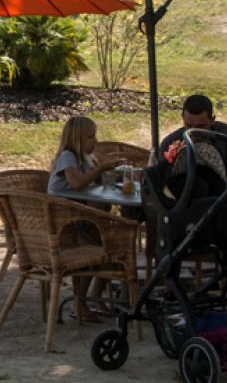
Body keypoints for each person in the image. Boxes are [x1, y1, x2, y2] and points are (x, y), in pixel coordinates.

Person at [46, 115, 129, 323]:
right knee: (101, 248)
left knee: (111, 245)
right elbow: (76, 184)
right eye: (91, 137)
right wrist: (99, 169)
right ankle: (80, 303)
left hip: (79, 218)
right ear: (77, 139)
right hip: (63, 224)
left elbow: (91, 186)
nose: (96, 141)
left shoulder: (84, 158)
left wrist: (108, 172)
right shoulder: (67, 156)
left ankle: (93, 297)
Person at [152, 94, 227, 175]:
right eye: (188, 126)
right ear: (183, 119)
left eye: (200, 127)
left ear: (212, 120)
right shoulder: (169, 143)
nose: (194, 132)